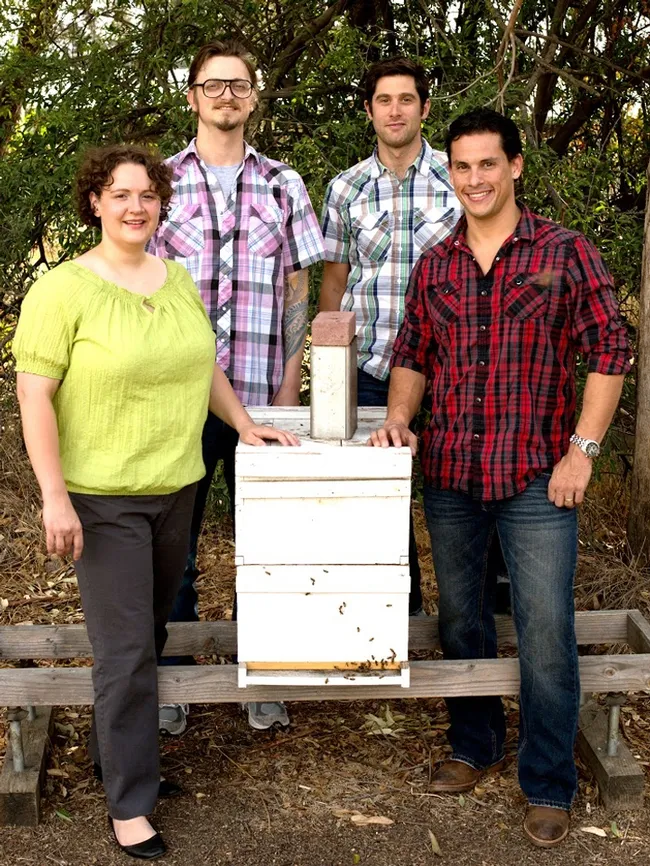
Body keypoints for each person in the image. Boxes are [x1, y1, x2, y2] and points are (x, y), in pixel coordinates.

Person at [13, 144, 298, 860]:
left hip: (178, 484)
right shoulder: (63, 288)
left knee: (154, 634)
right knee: (126, 651)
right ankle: (130, 805)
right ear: (95, 203)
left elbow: (202, 362)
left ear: (160, 204)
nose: (135, 206)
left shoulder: (174, 280)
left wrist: (243, 424)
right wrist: (55, 497)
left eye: (147, 195)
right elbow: (34, 393)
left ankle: (121, 757)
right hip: (102, 498)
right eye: (120, 194)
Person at [369, 108, 631, 847]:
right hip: (451, 473)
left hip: (537, 480)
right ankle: (474, 744)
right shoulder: (438, 262)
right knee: (462, 620)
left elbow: (611, 348)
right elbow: (414, 352)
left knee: (545, 632)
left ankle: (549, 782)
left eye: (488, 164)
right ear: (448, 172)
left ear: (515, 166)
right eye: (461, 166)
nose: (475, 178)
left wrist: (583, 448)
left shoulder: (563, 252)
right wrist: (397, 417)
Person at [149, 40, 324, 735]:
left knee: (266, 544)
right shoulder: (158, 183)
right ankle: (174, 680)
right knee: (175, 547)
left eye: (239, 84)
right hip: (177, 401)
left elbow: (298, 286)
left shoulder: (285, 183)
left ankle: (263, 673)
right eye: (212, 84)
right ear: (192, 96)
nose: (226, 95)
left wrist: (289, 379)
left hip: (260, 394)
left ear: (254, 98)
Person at [319, 57, 509, 615]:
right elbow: (334, 284)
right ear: (369, 110)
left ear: (425, 108)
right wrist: (331, 371)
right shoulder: (345, 188)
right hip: (374, 368)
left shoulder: (458, 181)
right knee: (381, 502)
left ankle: (483, 611)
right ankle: (399, 612)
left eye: (407, 99)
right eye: (384, 100)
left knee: (473, 486)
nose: (395, 110)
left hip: (455, 370)